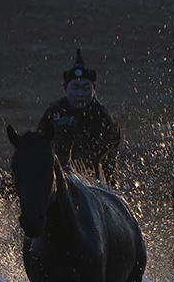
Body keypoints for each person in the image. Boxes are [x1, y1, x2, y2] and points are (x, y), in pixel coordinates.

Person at [38, 51, 122, 185]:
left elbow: (102, 156)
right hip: (54, 179)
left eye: (85, 88)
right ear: (65, 87)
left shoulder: (102, 117)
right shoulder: (53, 113)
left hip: (92, 183)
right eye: (75, 88)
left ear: (94, 88)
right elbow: (38, 145)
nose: (80, 94)